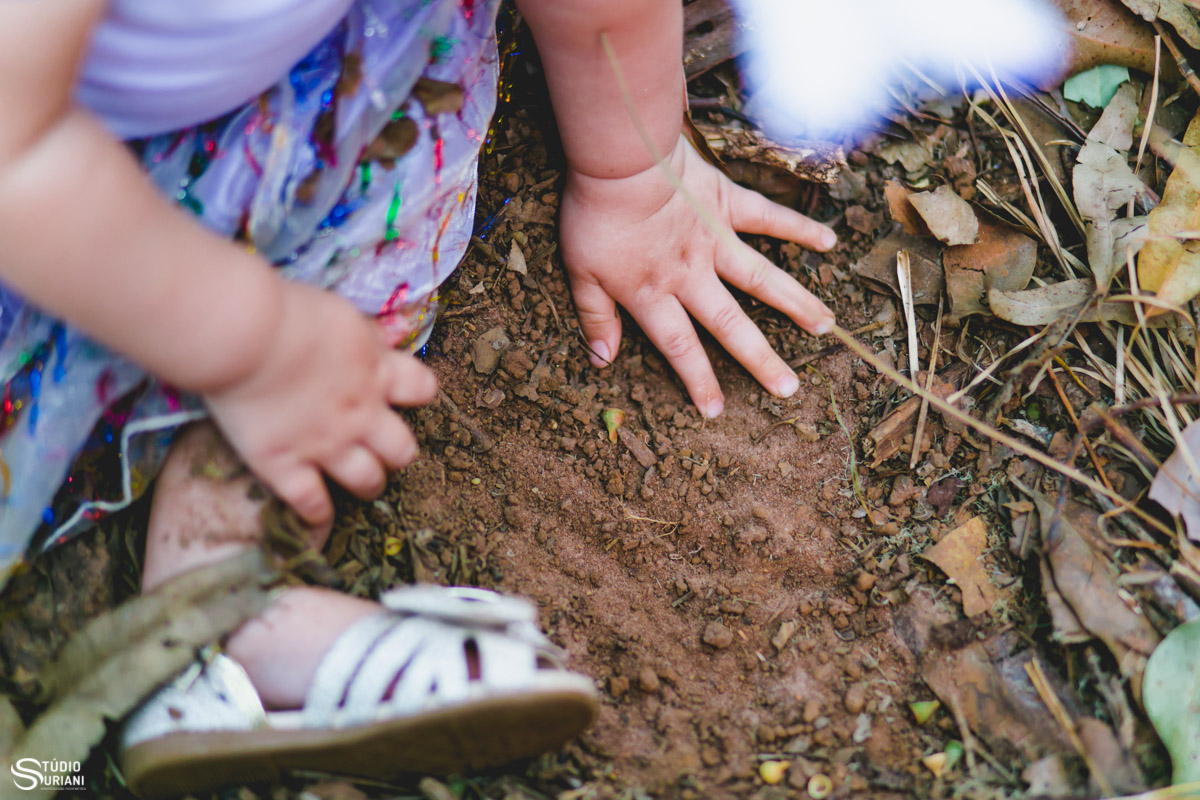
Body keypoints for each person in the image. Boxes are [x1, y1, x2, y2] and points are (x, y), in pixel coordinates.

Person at [0, 0, 836, 794]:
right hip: (62, 180)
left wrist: (638, 173)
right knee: (298, 357)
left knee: (345, 310)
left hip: (330, 92)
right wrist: (258, 345)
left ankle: (214, 610)